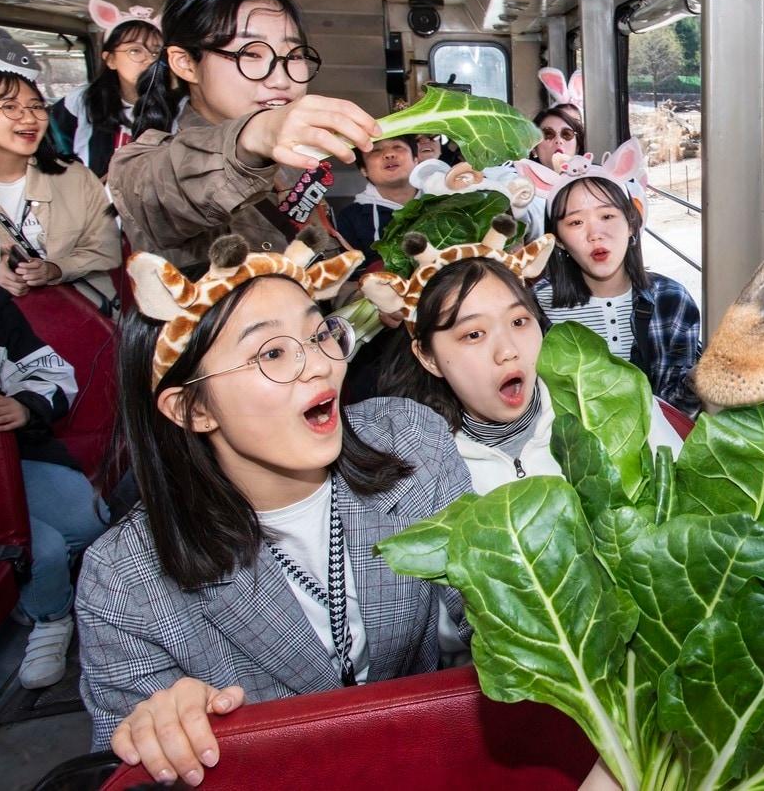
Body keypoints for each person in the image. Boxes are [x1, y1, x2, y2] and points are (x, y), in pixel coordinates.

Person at [76, 233, 474, 783]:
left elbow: (490, 608)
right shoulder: (123, 580)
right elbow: (127, 765)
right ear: (192, 408)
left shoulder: (413, 444)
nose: (319, 367)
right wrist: (167, 732)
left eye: (319, 334)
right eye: (272, 353)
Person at [108, 0, 379, 269]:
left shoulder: (293, 159)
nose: (281, 79)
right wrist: (255, 136)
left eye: (293, 56)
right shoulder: (139, 166)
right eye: (250, 54)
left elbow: (315, 261)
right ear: (186, 63)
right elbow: (170, 189)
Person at [368, 217, 682, 494]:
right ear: (428, 358)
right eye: (474, 334)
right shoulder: (407, 466)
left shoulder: (616, 394)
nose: (508, 351)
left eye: (519, 322)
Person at [0, 277, 109, 688]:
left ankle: (34, 587)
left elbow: (51, 373)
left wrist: (23, 408)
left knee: (92, 518)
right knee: (45, 550)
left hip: (9, 461)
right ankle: (49, 616)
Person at [522, 140, 702, 417]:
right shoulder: (536, 307)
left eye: (607, 216)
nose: (595, 233)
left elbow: (679, 410)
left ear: (632, 224)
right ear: (557, 240)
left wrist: (700, 380)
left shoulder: (670, 299)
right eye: (575, 222)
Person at [0, 62, 122, 308]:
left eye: (36, 106)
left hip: (81, 317)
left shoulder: (75, 178)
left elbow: (106, 249)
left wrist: (55, 269)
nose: (29, 117)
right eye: (9, 106)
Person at [49, 0, 163, 179]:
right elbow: (53, 149)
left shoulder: (178, 106)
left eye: (156, 52)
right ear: (110, 59)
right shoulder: (81, 101)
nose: (149, 59)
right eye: (135, 50)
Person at [335, 135, 417, 258]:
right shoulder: (350, 218)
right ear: (364, 170)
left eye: (397, 146)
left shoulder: (444, 200)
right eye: (376, 150)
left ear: (416, 160)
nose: (389, 154)